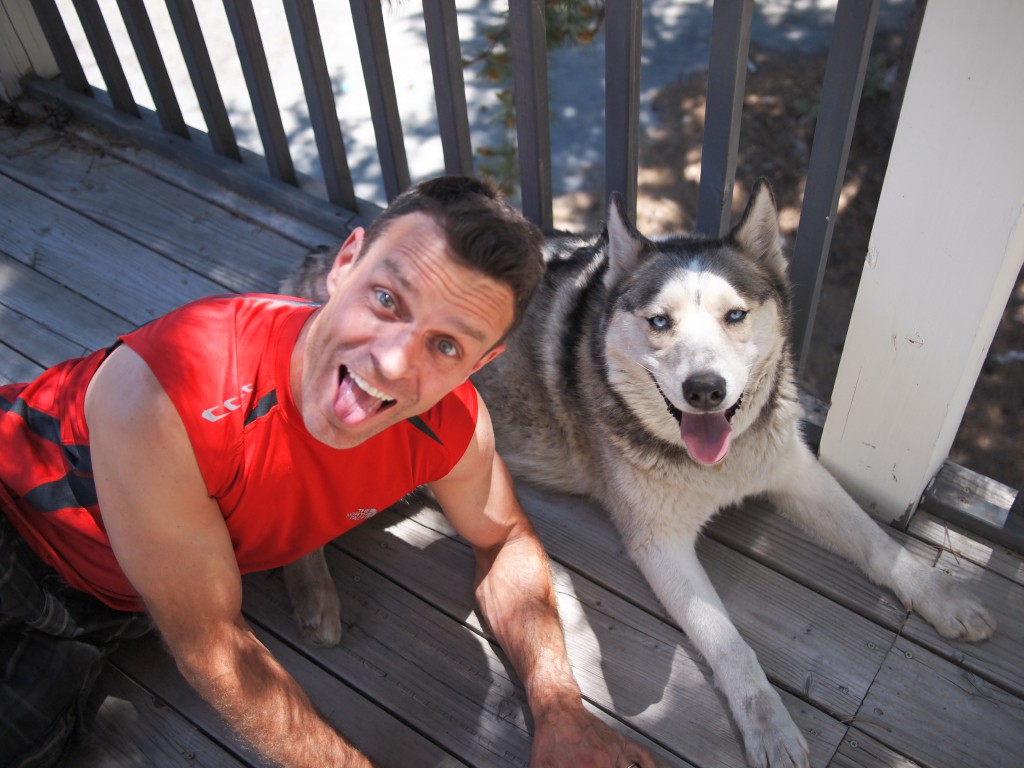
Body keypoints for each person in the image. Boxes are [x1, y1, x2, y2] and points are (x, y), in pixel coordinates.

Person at [0, 176, 653, 768]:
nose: (395, 362)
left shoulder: (452, 425)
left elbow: (503, 538)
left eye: (447, 344)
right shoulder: (171, 387)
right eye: (388, 299)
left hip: (118, 609)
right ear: (344, 265)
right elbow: (210, 642)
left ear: (481, 362)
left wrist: (561, 712)